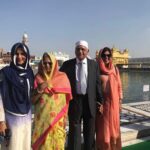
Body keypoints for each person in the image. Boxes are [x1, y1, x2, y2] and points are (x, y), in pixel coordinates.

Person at [60, 40, 103, 150]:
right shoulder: (67, 65)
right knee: (74, 133)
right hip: (75, 102)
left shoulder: (94, 65)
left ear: (87, 51)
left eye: (83, 49)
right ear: (75, 50)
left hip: (90, 103)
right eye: (78, 49)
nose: (80, 51)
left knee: (89, 133)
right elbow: (58, 79)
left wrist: (101, 102)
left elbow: (98, 84)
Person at [32, 53, 72, 150]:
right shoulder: (38, 78)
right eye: (44, 63)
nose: (47, 66)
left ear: (55, 64)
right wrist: (40, 89)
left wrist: (65, 117)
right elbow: (33, 100)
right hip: (42, 123)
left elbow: (66, 101)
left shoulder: (63, 78)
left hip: (57, 122)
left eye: (50, 63)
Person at [0, 42, 34, 150]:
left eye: (22, 54)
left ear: (27, 55)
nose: (19, 57)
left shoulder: (29, 72)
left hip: (27, 117)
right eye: (16, 54)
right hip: (11, 119)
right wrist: (1, 121)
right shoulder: (5, 73)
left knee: (25, 145)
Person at [95, 47, 123, 150]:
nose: (106, 57)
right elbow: (94, 89)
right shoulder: (97, 70)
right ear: (100, 56)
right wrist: (97, 103)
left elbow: (119, 86)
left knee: (114, 129)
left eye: (108, 55)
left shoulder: (115, 69)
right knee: (104, 131)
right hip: (103, 105)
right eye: (104, 55)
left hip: (114, 105)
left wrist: (120, 101)